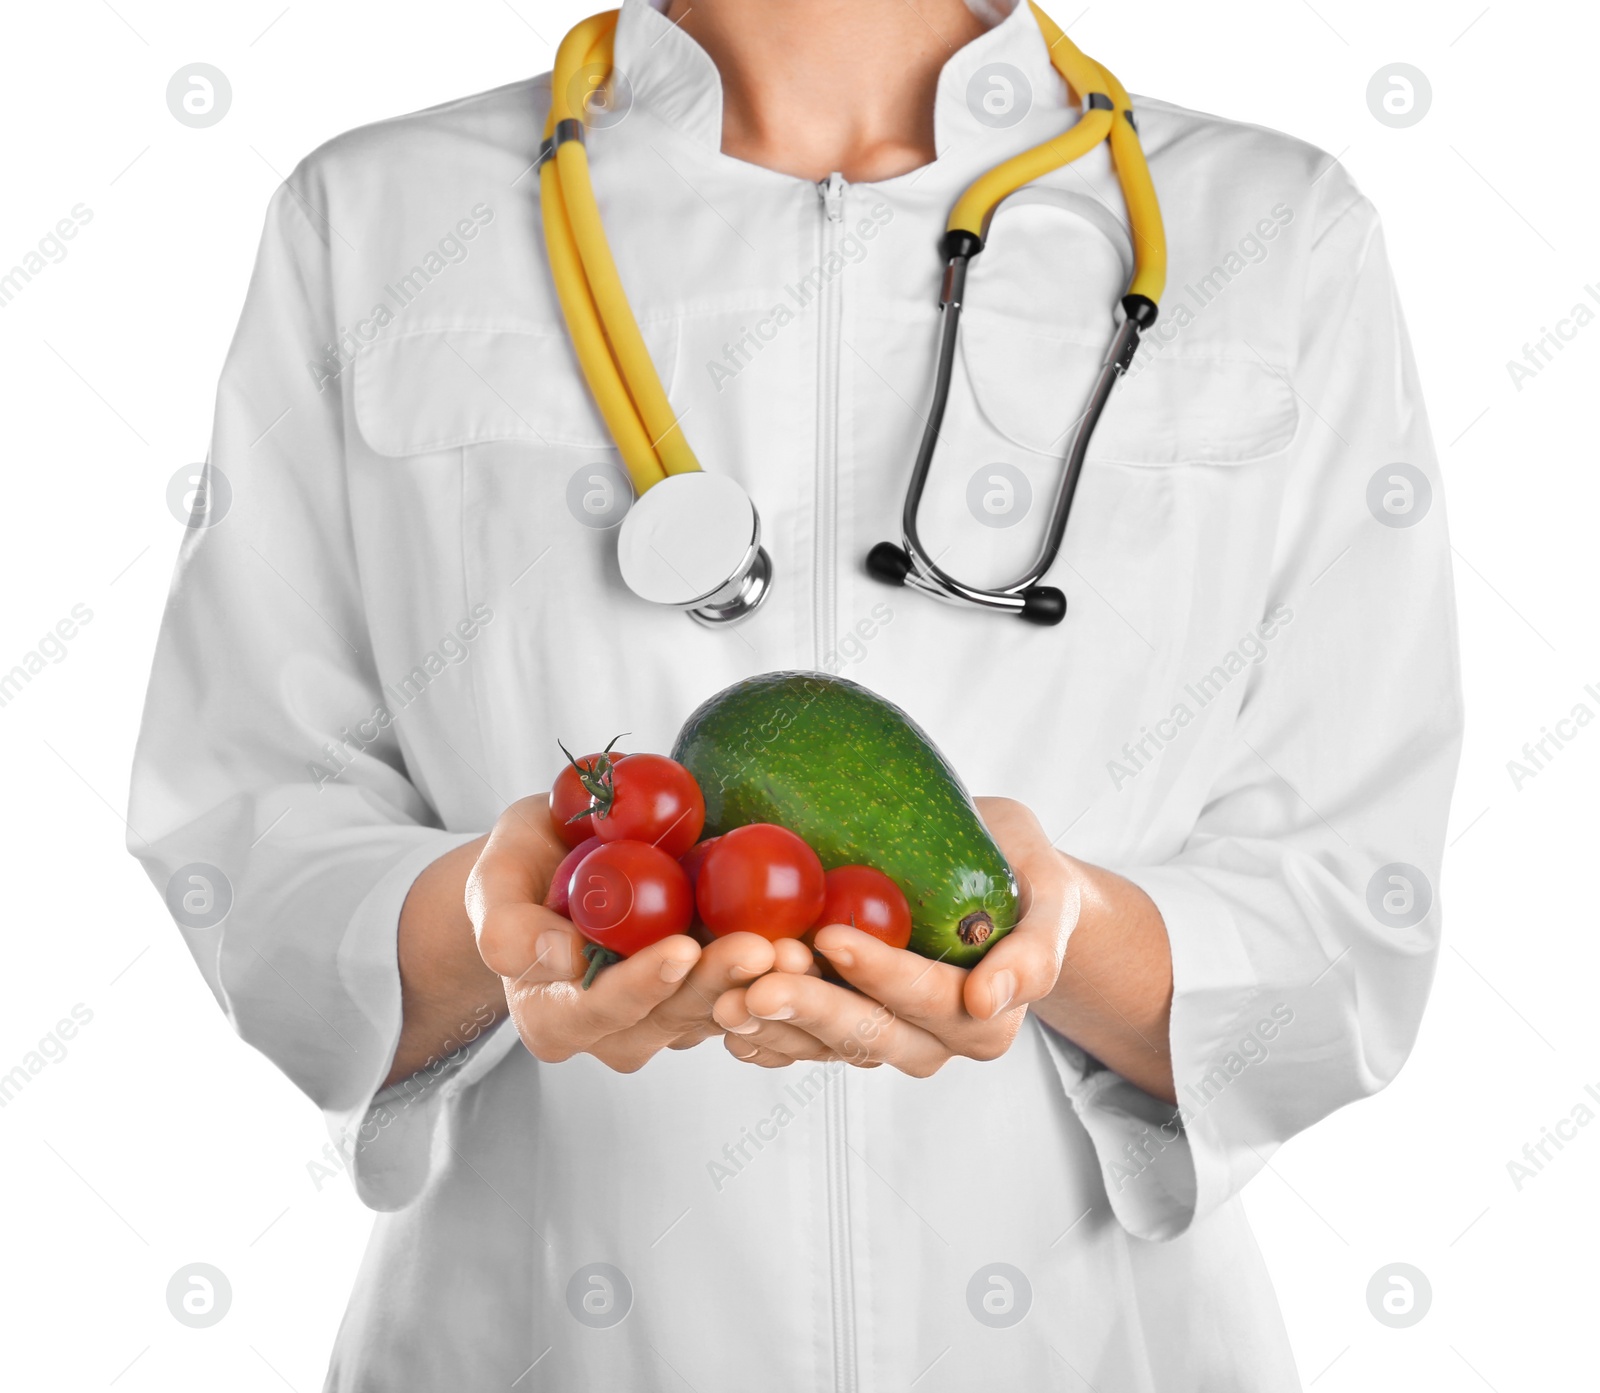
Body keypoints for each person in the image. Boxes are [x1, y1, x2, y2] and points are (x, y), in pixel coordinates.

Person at [128, 0, 1462, 1387]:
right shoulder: (375, 217)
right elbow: (245, 822)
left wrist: (1064, 936)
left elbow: (1356, 908)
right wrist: (499, 921)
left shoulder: (1280, 232)